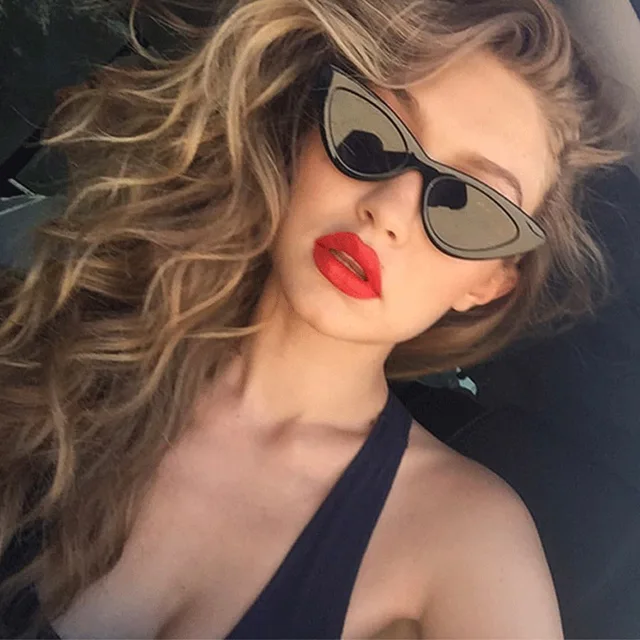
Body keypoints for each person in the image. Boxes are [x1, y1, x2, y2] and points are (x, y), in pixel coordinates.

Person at [0, 0, 631, 637]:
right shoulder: (59, 340)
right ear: (306, 136)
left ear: (489, 282)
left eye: (469, 205)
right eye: (371, 133)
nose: (389, 209)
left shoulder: (469, 542)